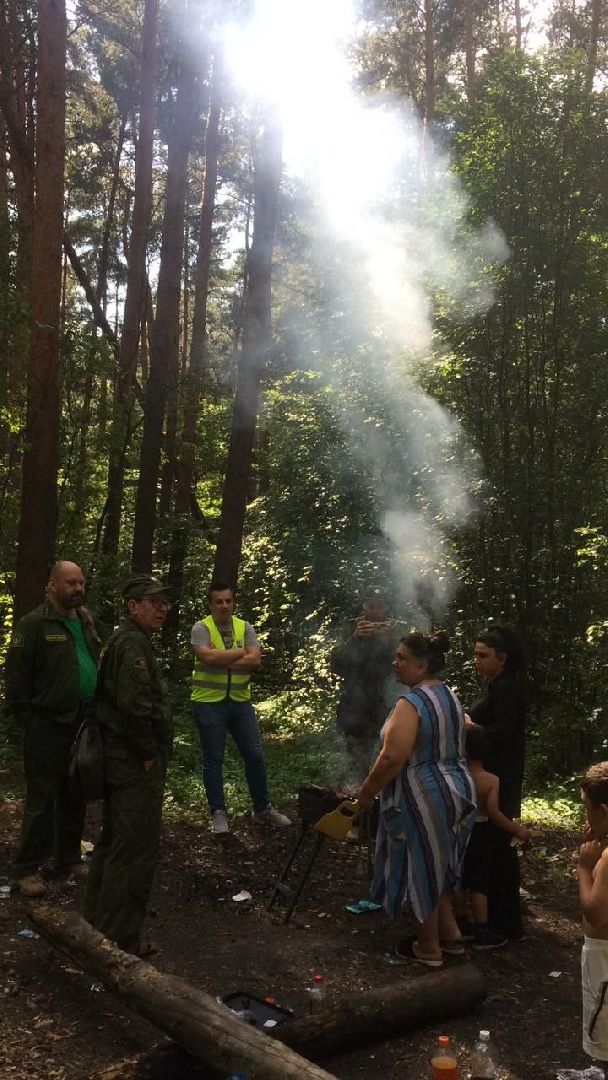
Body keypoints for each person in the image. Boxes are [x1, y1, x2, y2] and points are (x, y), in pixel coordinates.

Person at [358, 630, 476, 967]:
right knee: (441, 865)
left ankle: (428, 949)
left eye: (402, 658)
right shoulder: (449, 695)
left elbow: (392, 758)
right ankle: (451, 938)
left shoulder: (411, 703)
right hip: (459, 789)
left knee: (421, 866)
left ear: (422, 666)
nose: (395, 663)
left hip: (424, 795)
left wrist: (366, 794)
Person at [83, 574, 173, 955]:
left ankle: (94, 930)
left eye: (164, 602)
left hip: (123, 758)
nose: (162, 609)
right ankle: (118, 943)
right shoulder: (132, 642)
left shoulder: (125, 639)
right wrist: (148, 753)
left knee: (115, 842)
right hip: (133, 762)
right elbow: (134, 707)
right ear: (133, 606)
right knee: (134, 849)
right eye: (153, 602)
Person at [5, 561, 102, 898]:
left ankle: (68, 857)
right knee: (42, 799)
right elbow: (16, 681)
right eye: (71, 583)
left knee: (75, 792)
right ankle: (27, 868)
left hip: (82, 723)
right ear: (52, 585)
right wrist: (31, 722)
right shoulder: (34, 624)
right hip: (47, 726)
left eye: (81, 583)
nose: (78, 588)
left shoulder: (85, 620)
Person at [191, 582, 291, 835]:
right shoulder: (201, 628)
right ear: (211, 604)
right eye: (219, 602)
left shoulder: (244, 627)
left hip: (240, 701)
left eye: (228, 600)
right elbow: (207, 658)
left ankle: (262, 808)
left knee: (255, 755)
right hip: (208, 702)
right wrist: (239, 653)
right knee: (213, 759)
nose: (224, 605)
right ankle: (218, 813)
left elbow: (255, 659)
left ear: (233, 602)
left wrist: (221, 659)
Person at [468, 623, 527, 940]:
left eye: (483, 655)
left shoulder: (506, 689)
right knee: (492, 846)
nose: (477, 661)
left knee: (499, 847)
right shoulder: (494, 685)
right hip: (493, 776)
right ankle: (495, 918)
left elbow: (505, 734)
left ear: (501, 658)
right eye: (476, 655)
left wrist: (471, 729)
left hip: (501, 777)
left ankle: (503, 923)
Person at [461, 723, 532, 950]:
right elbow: (493, 813)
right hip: (480, 834)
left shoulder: (458, 775)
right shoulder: (491, 780)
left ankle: (460, 923)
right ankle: (482, 930)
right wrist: (517, 830)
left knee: (460, 880)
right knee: (479, 883)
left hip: (459, 832)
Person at [330, 585, 400, 782]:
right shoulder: (351, 628)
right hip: (354, 705)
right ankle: (355, 792)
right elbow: (336, 665)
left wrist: (388, 644)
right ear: (364, 605)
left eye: (380, 607)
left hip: (385, 704)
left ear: (386, 607)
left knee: (384, 757)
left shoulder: (395, 629)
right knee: (355, 759)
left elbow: (403, 668)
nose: (375, 611)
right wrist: (354, 639)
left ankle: (380, 794)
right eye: (371, 606)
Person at [577, 762, 608, 1067]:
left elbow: (595, 913)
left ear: (604, 812)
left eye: (587, 807)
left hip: (604, 961)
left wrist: (584, 868)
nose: (586, 816)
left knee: (604, 1039)